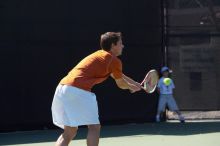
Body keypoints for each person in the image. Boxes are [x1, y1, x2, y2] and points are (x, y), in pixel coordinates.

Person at [51, 32, 142, 146]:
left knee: (70, 131)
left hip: (62, 88)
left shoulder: (101, 55)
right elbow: (120, 83)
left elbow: (119, 75)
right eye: (120, 43)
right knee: (94, 127)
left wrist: (135, 84)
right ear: (113, 45)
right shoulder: (114, 60)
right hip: (78, 89)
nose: (122, 46)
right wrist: (130, 87)